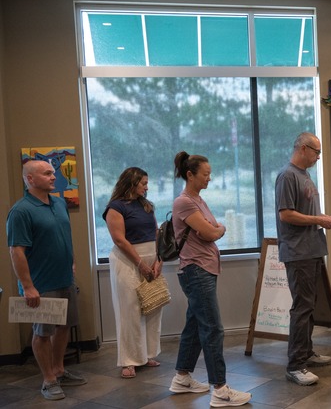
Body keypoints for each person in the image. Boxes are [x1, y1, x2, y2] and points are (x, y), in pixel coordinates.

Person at [169, 152, 251, 407]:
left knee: (195, 325)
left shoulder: (197, 200)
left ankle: (182, 377)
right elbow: (210, 232)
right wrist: (218, 230)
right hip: (196, 271)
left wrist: (216, 229)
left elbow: (212, 229)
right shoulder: (184, 202)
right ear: (190, 174)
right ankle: (220, 389)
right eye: (205, 174)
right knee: (213, 328)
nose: (209, 178)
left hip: (204, 269)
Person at [6, 159, 87, 400]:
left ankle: (59, 370)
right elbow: (16, 251)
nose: (53, 177)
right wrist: (28, 286)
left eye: (53, 172)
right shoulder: (20, 211)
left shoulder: (59, 203)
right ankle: (48, 380)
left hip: (64, 279)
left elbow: (63, 236)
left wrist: (71, 262)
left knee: (63, 327)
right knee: (42, 333)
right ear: (30, 179)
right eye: (47, 173)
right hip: (41, 285)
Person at [275, 132, 331, 386]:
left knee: (309, 305)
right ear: (303, 148)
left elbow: (307, 212)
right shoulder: (287, 175)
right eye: (316, 152)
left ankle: (306, 352)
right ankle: (295, 365)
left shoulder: (305, 175)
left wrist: (326, 218)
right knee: (302, 307)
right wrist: (318, 220)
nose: (318, 157)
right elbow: (286, 214)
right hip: (298, 252)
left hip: (312, 249)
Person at [102, 167, 163, 379]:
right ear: (131, 182)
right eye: (143, 183)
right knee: (129, 310)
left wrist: (159, 260)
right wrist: (140, 264)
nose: (147, 187)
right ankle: (129, 360)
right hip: (128, 261)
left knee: (153, 307)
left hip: (151, 258)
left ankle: (148, 354)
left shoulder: (146, 205)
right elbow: (119, 240)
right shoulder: (115, 207)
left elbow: (156, 233)